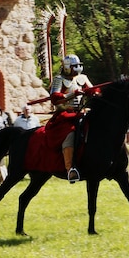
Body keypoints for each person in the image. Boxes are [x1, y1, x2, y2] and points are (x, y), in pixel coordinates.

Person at [49, 54, 96, 183]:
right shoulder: (59, 79)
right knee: (69, 133)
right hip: (65, 115)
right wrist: (72, 94)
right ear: (68, 67)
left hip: (82, 112)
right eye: (75, 66)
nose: (77, 68)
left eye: (78, 65)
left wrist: (95, 93)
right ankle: (70, 169)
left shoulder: (82, 78)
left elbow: (93, 90)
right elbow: (55, 98)